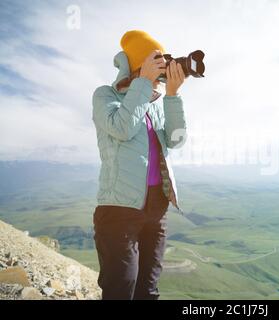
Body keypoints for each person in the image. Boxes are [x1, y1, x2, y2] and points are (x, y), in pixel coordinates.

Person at [91, 30, 187, 300]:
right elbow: (122, 128)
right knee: (121, 289)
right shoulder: (105, 96)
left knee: (148, 290)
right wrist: (143, 83)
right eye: (155, 61)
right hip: (118, 210)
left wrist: (172, 95)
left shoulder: (154, 102)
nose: (161, 68)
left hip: (157, 207)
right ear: (138, 64)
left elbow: (176, 140)